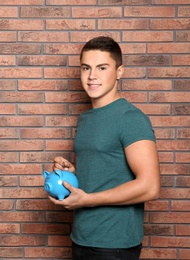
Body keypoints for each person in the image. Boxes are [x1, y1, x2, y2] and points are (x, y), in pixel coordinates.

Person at [49, 36, 161, 260]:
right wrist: (73, 174)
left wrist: (87, 200)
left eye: (102, 68)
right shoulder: (86, 119)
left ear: (119, 71)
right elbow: (105, 171)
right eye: (86, 68)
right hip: (82, 237)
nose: (92, 76)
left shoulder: (131, 119)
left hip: (113, 244)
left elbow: (150, 186)